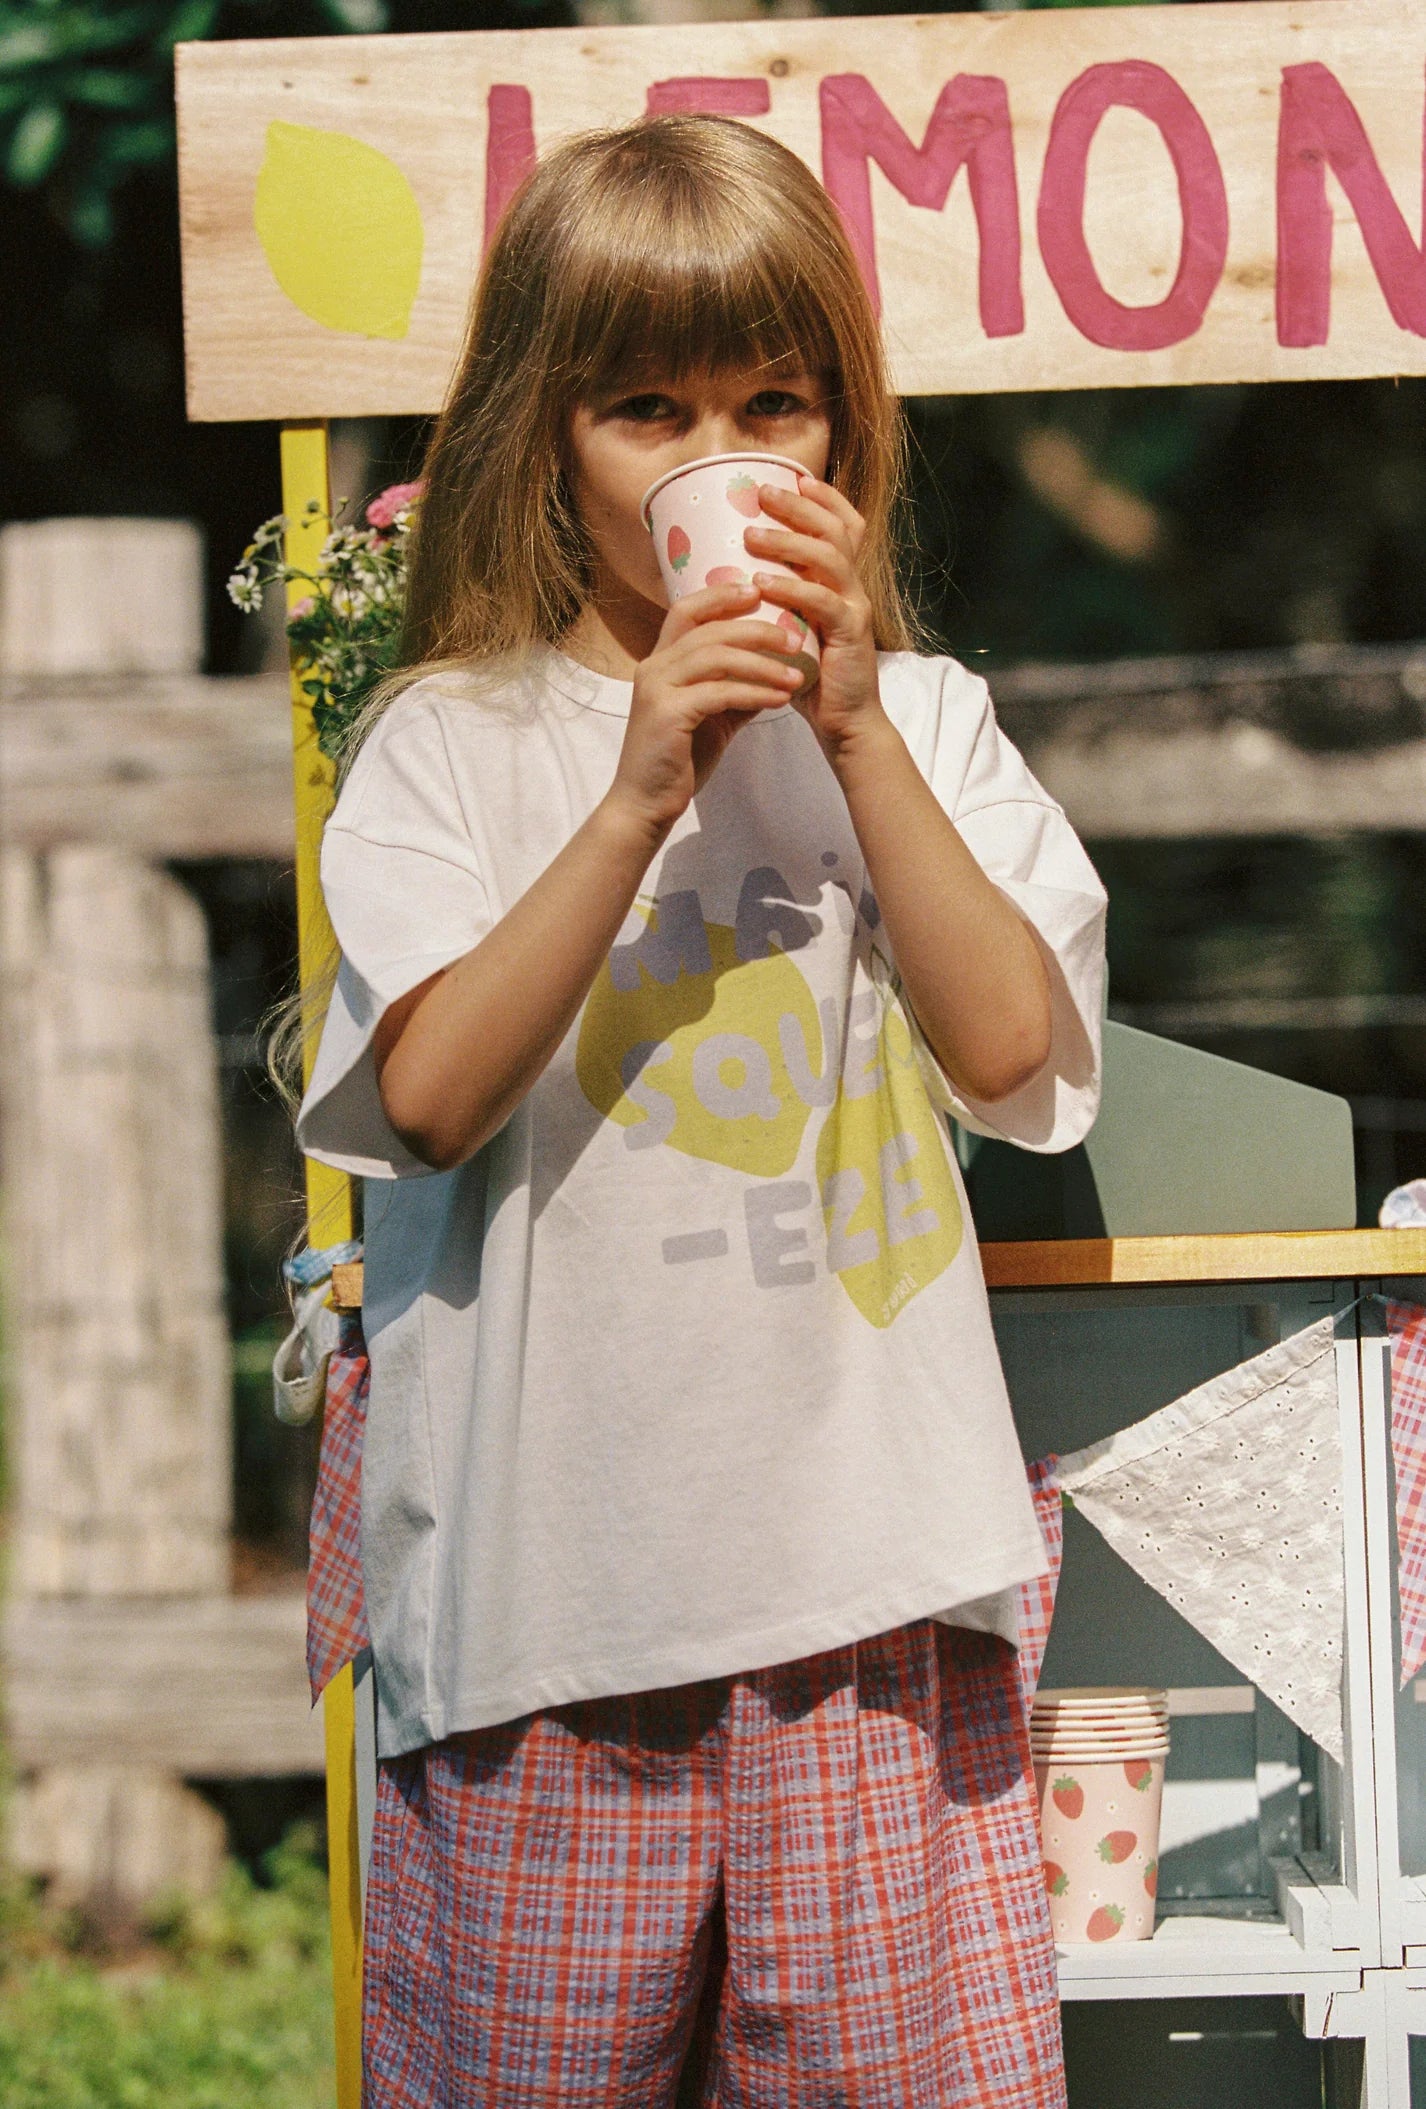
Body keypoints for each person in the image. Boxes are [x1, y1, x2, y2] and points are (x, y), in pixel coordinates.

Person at [297, 111, 1106, 2109]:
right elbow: (421, 1090)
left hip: (867, 1591)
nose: (716, 458)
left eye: (772, 404)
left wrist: (840, 721)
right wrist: (640, 785)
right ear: (535, 435)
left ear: (843, 432)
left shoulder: (913, 724)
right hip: (541, 1608)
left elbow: (1014, 1060)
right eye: (645, 407)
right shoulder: (451, 742)